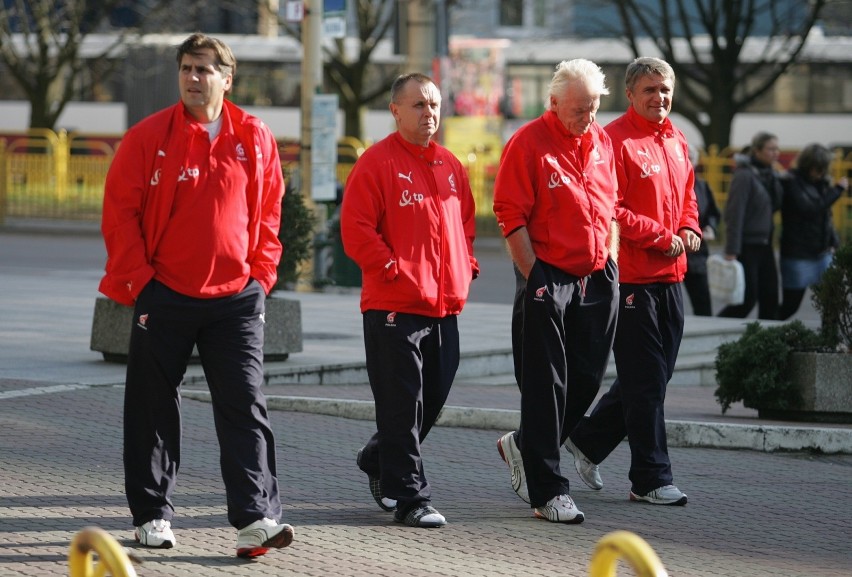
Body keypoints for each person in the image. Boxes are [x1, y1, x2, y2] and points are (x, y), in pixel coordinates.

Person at [99, 33, 294, 558]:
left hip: (235, 300)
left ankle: (255, 518)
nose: (192, 77)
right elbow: (120, 214)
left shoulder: (254, 137)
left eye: (204, 69)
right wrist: (142, 282)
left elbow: (271, 214)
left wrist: (260, 278)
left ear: (227, 79)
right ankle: (152, 515)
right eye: (186, 68)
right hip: (164, 295)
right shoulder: (147, 137)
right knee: (152, 407)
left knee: (245, 406)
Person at [341, 73, 479, 528]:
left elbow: (465, 227)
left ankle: (378, 456)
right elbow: (356, 229)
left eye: (435, 104)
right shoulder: (376, 163)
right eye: (419, 105)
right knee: (403, 404)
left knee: (430, 402)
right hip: (393, 308)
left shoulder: (450, 166)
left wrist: (467, 266)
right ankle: (411, 498)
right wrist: (392, 270)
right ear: (396, 110)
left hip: (444, 308)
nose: (429, 113)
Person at [564, 57, 700, 507]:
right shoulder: (613, 140)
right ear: (630, 94)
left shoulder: (677, 139)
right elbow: (610, 208)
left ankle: (585, 441)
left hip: (671, 278)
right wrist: (661, 236)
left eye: (665, 90)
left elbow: (688, 199)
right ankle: (650, 478)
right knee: (645, 384)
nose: (659, 98)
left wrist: (689, 229)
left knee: (653, 379)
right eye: (649, 90)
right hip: (632, 280)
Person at [492, 59, 620, 524]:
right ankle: (549, 491)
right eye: (577, 110)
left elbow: (610, 207)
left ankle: (524, 445)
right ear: (553, 103)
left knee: (586, 379)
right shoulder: (527, 143)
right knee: (547, 386)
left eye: (593, 107)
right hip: (549, 276)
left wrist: (612, 257)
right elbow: (509, 213)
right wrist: (536, 277)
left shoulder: (601, 140)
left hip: (597, 274)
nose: (586, 117)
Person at [718, 132, 784, 319]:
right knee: (746, 300)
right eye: (771, 149)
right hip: (747, 245)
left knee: (770, 298)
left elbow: (776, 204)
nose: (775, 153)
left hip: (765, 244)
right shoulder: (744, 175)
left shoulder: (770, 174)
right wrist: (731, 250)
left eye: (777, 149)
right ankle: (718, 330)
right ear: (757, 151)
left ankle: (765, 342)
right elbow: (734, 213)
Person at [777, 144, 848, 320]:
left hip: (823, 252)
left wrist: (834, 243)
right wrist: (837, 191)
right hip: (798, 253)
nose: (822, 172)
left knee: (832, 301)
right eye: (819, 168)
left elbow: (826, 218)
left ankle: (830, 341)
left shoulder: (821, 183)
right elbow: (809, 209)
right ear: (809, 165)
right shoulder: (792, 181)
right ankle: (764, 335)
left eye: (824, 169)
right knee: (791, 305)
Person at [683, 146, 721, 316]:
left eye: (690, 157)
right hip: (672, 251)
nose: (687, 161)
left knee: (703, 302)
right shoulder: (666, 183)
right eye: (683, 156)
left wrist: (710, 227)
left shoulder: (702, 186)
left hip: (697, 252)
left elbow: (713, 213)